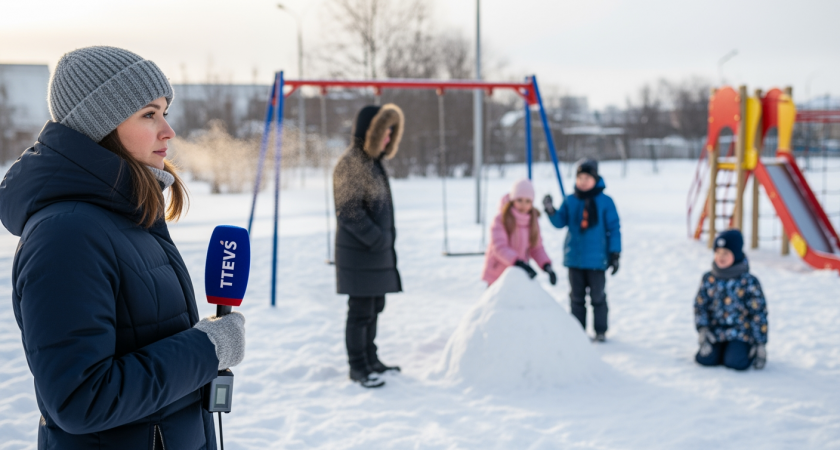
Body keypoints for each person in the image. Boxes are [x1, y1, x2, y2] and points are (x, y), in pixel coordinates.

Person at [0, 46, 245, 450]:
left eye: (165, 112)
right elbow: (82, 400)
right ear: (101, 125)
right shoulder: (66, 235)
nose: (168, 131)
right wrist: (207, 348)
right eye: (149, 114)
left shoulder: (125, 215)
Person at [333, 103, 404, 388]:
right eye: (384, 132)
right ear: (370, 132)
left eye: (391, 133)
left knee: (374, 307)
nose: (388, 138)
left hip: (374, 255)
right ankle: (358, 367)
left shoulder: (373, 162)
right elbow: (348, 211)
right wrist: (379, 240)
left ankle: (371, 358)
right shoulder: (352, 163)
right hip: (360, 255)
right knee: (361, 311)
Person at [543, 158, 621, 342]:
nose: (583, 181)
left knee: (598, 297)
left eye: (587, 177)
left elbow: (614, 228)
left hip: (597, 260)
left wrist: (615, 253)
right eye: (580, 178)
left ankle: (600, 330)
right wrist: (551, 210)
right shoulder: (570, 200)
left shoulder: (605, 201)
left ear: (595, 179)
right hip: (574, 259)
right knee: (576, 297)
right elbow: (560, 222)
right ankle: (578, 331)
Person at [694, 229, 768, 370]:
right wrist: (703, 329)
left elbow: (758, 313)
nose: (721, 257)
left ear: (737, 254)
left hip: (740, 333)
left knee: (735, 362)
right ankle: (721, 350)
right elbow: (700, 305)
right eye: (718, 252)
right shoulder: (709, 278)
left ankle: (746, 350)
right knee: (704, 359)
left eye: (726, 253)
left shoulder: (748, 282)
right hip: (715, 332)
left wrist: (760, 343)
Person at [482, 179, 555, 286]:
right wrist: (518, 262)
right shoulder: (501, 219)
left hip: (518, 274)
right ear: (512, 200)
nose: (523, 205)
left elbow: (536, 247)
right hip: (498, 275)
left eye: (527, 201)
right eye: (519, 200)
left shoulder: (532, 221)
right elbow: (499, 247)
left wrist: (546, 265)